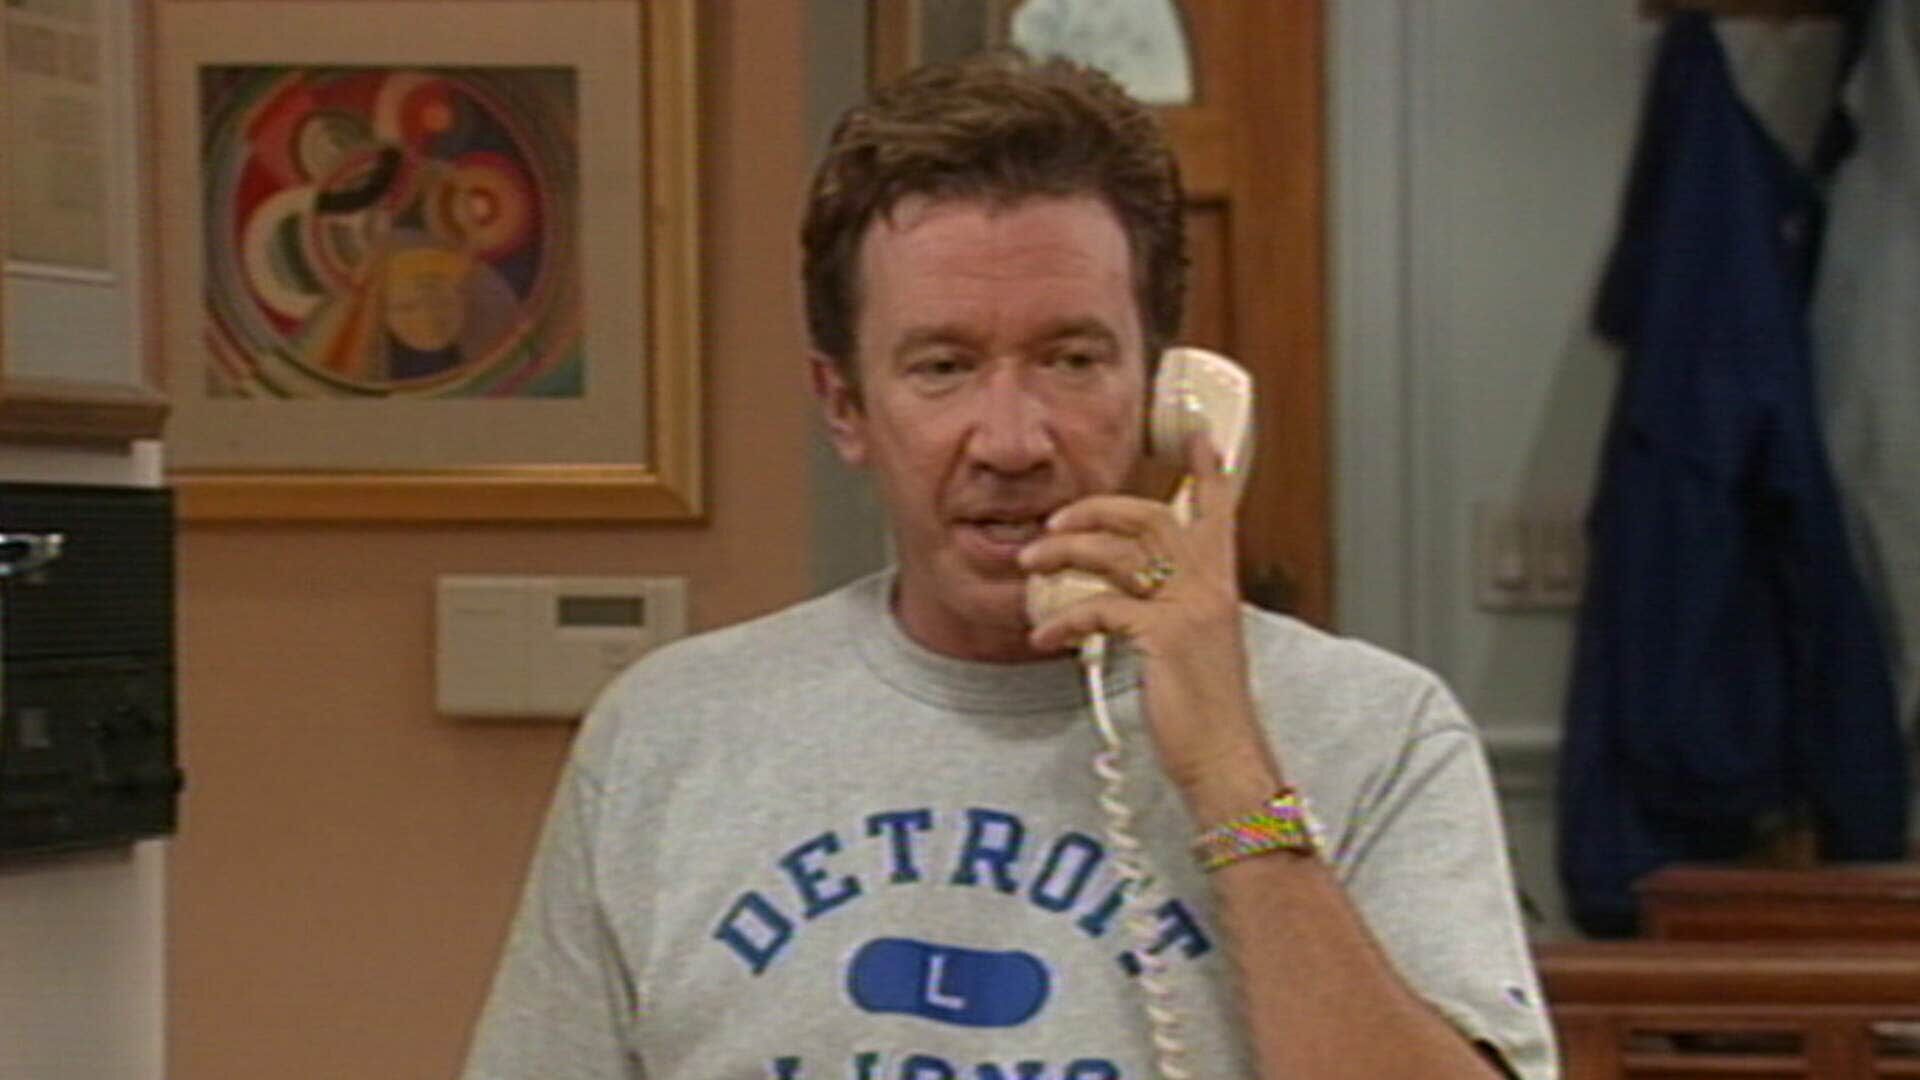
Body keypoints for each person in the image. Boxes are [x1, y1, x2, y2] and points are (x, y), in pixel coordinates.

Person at [463, 53, 1556, 1080]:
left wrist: (1231, 771)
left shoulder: (1375, 731)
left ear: (1164, 392)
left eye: (1071, 360)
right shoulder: (669, 734)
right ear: (845, 406)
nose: (1012, 440)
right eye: (943, 367)